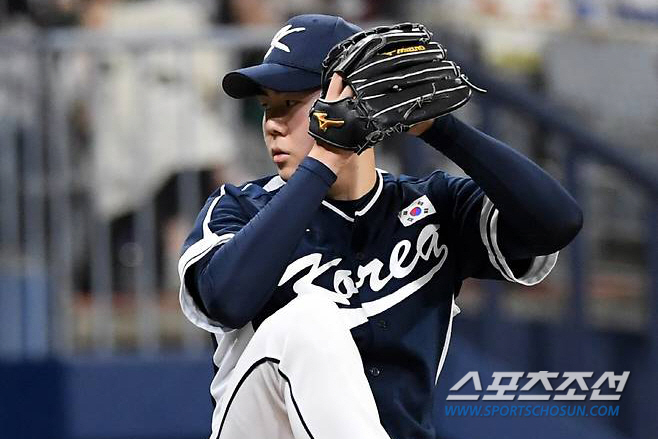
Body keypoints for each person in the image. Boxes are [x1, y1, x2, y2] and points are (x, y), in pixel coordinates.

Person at [178, 14, 583, 439]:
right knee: (309, 320)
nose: (272, 124)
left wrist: (440, 127)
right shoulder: (239, 206)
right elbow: (224, 301)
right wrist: (326, 161)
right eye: (267, 107)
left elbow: (557, 223)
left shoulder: (432, 204)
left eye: (290, 103)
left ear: (359, 101)